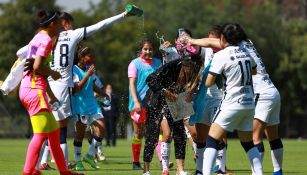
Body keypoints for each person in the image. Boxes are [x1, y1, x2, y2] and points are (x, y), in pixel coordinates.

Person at [16, 10, 135, 170]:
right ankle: (40, 168)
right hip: (53, 86)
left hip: (46, 86)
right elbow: (100, 25)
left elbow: (21, 53)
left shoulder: (43, 38)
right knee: (57, 130)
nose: (70, 26)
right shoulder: (65, 36)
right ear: (63, 24)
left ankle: (51, 167)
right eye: (67, 23)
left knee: (52, 130)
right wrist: (123, 15)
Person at [18, 10, 82, 175]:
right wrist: (53, 73)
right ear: (52, 25)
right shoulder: (46, 39)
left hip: (29, 88)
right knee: (40, 135)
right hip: (34, 89)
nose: (61, 28)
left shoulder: (39, 36)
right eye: (60, 25)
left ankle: (64, 171)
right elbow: (38, 66)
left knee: (53, 134)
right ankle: (28, 172)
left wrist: (52, 97)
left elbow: (34, 66)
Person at [198, 23, 263, 175]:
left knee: (211, 140)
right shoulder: (246, 52)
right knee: (248, 144)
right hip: (248, 103)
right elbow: (254, 71)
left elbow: (208, 83)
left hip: (232, 102)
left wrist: (219, 74)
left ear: (223, 38)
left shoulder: (221, 55)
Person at [143, 28, 203, 175]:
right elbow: (150, 79)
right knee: (154, 135)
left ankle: (180, 169)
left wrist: (190, 91)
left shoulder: (196, 61)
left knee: (181, 134)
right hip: (158, 97)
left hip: (178, 97)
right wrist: (165, 91)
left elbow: (196, 79)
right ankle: (146, 170)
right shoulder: (173, 64)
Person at [239, 39, 283, 175]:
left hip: (262, 93)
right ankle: (278, 172)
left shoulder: (237, 45)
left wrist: (192, 41)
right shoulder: (248, 42)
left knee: (255, 136)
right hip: (272, 91)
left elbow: (214, 43)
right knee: (273, 136)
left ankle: (256, 173)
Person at [71, 45, 108, 171]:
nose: (91, 58)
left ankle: (90, 155)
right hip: (80, 106)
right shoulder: (74, 70)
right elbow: (76, 89)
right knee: (80, 135)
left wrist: (103, 93)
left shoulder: (88, 68)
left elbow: (91, 85)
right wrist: (87, 74)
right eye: (89, 56)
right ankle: (78, 161)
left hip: (92, 105)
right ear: (81, 57)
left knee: (102, 128)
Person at [128, 39, 162, 170]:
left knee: (156, 130)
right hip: (138, 104)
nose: (148, 52)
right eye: (145, 49)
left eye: (150, 49)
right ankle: (135, 162)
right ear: (141, 50)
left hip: (154, 103)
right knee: (139, 133)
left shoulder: (158, 63)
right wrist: (136, 102)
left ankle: (161, 160)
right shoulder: (134, 64)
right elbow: (132, 84)